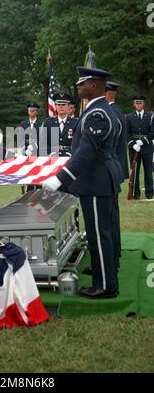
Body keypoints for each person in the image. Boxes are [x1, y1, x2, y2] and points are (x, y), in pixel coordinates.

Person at [43, 67, 121, 299]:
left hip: (96, 182)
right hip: (96, 180)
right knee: (99, 233)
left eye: (82, 83)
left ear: (94, 86)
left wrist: (60, 178)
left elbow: (87, 151)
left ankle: (106, 285)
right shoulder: (99, 110)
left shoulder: (98, 113)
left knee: (99, 234)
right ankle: (102, 274)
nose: (78, 87)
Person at [105, 81, 129, 264]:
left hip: (109, 169)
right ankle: (115, 251)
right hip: (116, 168)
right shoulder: (117, 110)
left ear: (106, 93)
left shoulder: (110, 112)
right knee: (112, 213)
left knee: (109, 216)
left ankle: (112, 254)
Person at [126, 96, 154, 199]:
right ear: (134, 104)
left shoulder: (150, 116)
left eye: (140, 103)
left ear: (144, 104)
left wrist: (141, 142)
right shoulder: (128, 117)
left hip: (147, 147)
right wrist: (133, 144)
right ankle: (135, 194)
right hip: (134, 149)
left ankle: (149, 194)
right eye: (136, 103)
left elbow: (152, 133)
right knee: (135, 172)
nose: (138, 105)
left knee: (148, 172)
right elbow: (126, 133)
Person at [41, 93, 78, 157]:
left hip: (70, 158)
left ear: (68, 106)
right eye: (58, 104)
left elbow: (78, 142)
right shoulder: (48, 123)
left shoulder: (75, 123)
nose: (61, 106)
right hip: (52, 158)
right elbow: (43, 143)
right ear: (55, 106)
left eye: (64, 104)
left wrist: (70, 153)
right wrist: (49, 153)